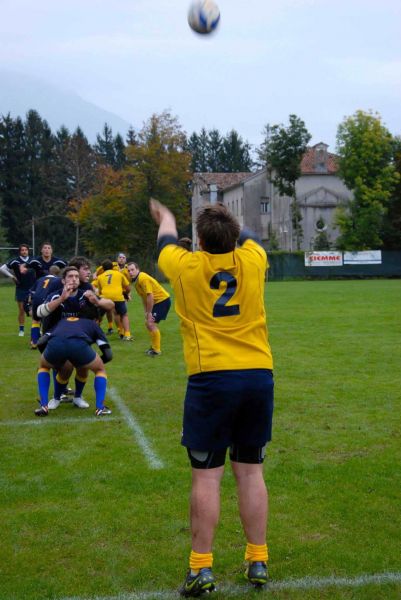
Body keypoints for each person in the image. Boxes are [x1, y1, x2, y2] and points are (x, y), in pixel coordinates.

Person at [149, 199, 274, 596]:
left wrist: (166, 216)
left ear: (199, 242)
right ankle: (258, 559)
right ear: (235, 238)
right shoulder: (254, 259)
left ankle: (201, 568)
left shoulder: (185, 267)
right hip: (257, 374)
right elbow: (247, 236)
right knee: (251, 471)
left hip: (212, 379)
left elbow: (165, 240)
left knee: (207, 477)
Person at [34, 315, 113, 418]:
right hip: (78, 345)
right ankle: (100, 408)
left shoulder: (61, 322)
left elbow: (40, 342)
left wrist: (52, 361)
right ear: (96, 319)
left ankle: (44, 405)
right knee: (99, 370)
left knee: (44, 366)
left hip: (56, 344)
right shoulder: (93, 324)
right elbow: (108, 355)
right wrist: (92, 363)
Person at [127, 262, 171, 356]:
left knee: (150, 323)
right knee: (148, 323)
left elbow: (150, 296)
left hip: (162, 301)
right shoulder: (136, 282)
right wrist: (146, 312)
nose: (130, 272)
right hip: (157, 302)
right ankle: (154, 347)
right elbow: (144, 298)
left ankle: (157, 350)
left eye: (132, 270)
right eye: (129, 270)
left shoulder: (143, 278)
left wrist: (150, 312)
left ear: (138, 269)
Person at [0, 243, 36, 337]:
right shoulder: (15, 261)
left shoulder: (33, 260)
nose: (24, 251)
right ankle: (21, 330)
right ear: (20, 252)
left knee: (34, 310)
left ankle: (35, 329)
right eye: (22, 250)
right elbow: (2, 268)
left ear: (28, 251)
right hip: (21, 288)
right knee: (21, 310)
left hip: (33, 289)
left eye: (26, 250)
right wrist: (12, 276)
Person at [92, 260, 132, 341]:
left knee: (98, 316)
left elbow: (99, 291)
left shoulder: (100, 277)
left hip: (105, 297)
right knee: (123, 315)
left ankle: (94, 335)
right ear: (113, 267)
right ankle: (127, 335)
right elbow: (128, 287)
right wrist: (126, 294)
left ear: (102, 268)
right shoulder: (119, 274)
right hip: (118, 297)